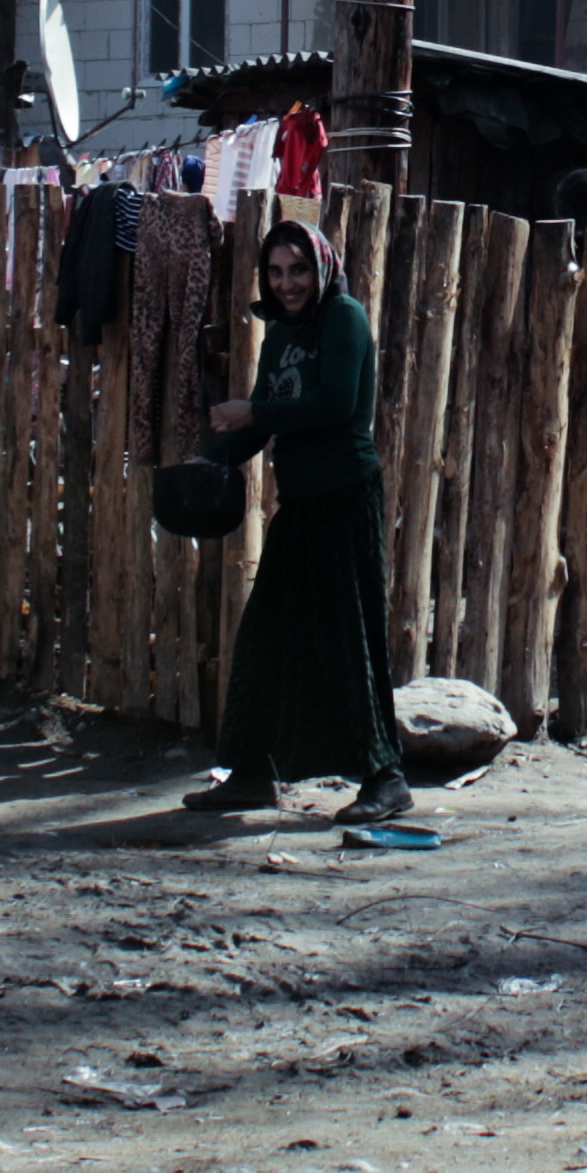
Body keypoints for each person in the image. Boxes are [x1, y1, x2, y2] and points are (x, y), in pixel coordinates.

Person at [185, 217, 410, 820]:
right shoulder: (283, 333)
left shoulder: (344, 317)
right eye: (277, 271)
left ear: (321, 268)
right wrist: (205, 463)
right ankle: (253, 775)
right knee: (266, 636)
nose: (287, 283)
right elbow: (263, 423)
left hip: (344, 498)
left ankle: (385, 779)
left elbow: (334, 405)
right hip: (301, 502)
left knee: (349, 640)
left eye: (298, 270)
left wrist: (252, 410)